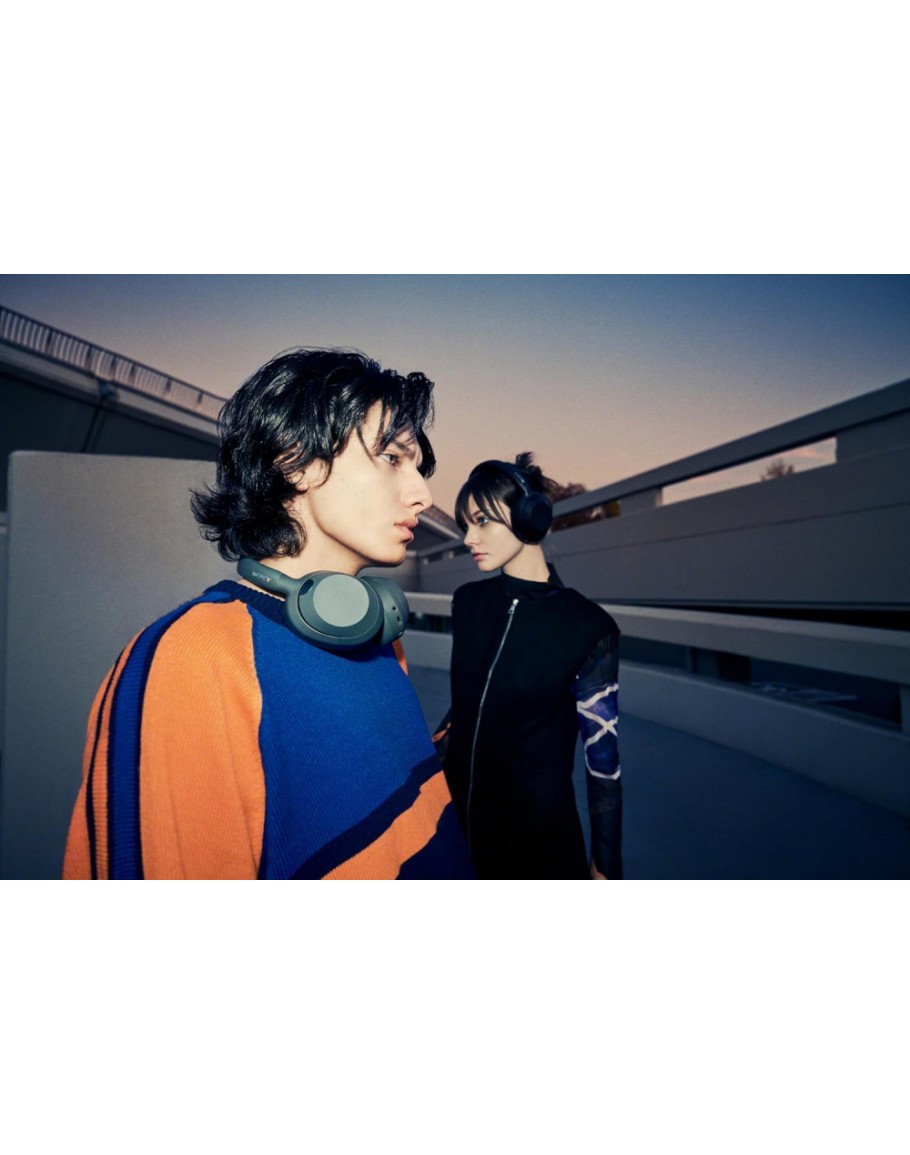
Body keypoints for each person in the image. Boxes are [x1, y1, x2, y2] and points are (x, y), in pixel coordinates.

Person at [63, 348, 474, 880]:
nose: (422, 494)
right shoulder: (190, 660)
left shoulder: (376, 636)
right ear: (295, 461)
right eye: (393, 458)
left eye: (417, 466)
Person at [442, 453, 622, 879]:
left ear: (530, 517)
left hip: (536, 847)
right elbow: (466, 708)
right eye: (465, 525)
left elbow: (603, 761)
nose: (469, 538)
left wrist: (605, 864)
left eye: (482, 521)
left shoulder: (587, 626)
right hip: (454, 835)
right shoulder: (468, 603)